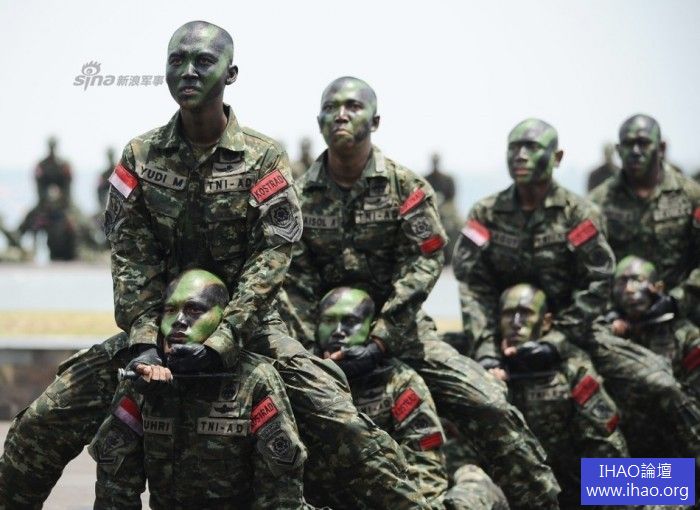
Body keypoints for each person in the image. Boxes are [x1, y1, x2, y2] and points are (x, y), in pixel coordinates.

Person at [0, 21, 425, 509]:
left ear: (231, 74)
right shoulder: (140, 156)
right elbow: (131, 256)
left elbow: (272, 257)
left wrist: (223, 339)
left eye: (203, 61)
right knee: (40, 424)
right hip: (162, 327)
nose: (188, 71)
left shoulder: (263, 158)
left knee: (347, 431)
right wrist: (144, 342)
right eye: (176, 60)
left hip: (250, 329)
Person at [284, 76, 560, 509]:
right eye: (331, 107)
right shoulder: (298, 198)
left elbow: (424, 262)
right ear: (319, 121)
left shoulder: (405, 188)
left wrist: (380, 338)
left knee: (488, 403)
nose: (341, 115)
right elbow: (294, 278)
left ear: (375, 121)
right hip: (325, 340)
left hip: (402, 332)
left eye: (353, 106)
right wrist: (312, 349)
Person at [454, 118, 700, 475]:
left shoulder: (580, 213)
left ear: (557, 158)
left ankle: (669, 484)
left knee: (660, 385)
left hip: (575, 331)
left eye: (531, 148)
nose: (520, 156)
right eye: (514, 148)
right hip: (505, 332)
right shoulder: (485, 213)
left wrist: (556, 341)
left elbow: (598, 283)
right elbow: (471, 284)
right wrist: (486, 350)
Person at [89, 269, 311, 509]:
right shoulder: (142, 377)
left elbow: (280, 495)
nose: (179, 320)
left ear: (222, 319)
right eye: (170, 310)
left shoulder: (254, 379)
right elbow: (115, 489)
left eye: (194, 310)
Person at [313, 286, 510, 509]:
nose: (338, 331)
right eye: (329, 321)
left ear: (371, 327)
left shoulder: (398, 380)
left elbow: (425, 462)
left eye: (350, 321)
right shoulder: (302, 378)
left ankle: (475, 483)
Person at [495, 284, 628, 509]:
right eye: (509, 314)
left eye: (526, 313)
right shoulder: (487, 366)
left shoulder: (570, 365)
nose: (516, 322)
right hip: (517, 492)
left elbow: (604, 443)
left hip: (577, 485)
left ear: (546, 322)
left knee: (677, 487)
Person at [589, 114, 700, 326]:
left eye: (643, 143)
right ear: (618, 150)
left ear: (661, 148)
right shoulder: (597, 203)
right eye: (628, 144)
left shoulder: (692, 196)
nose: (635, 151)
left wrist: (676, 300)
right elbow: (588, 269)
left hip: (682, 317)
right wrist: (610, 310)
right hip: (619, 322)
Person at [606, 255, 700, 455]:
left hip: (684, 442)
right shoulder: (609, 341)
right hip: (635, 449)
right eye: (622, 282)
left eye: (637, 280)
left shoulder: (684, 336)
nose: (629, 289)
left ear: (658, 287)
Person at [425, 153, 462, 264]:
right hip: (430, 210)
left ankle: (454, 253)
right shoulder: (426, 179)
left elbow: (452, 197)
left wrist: (443, 207)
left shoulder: (448, 179)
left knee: (458, 226)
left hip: (447, 210)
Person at [33, 136, 72, 203]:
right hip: (44, 200)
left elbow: (67, 182)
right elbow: (39, 181)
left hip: (63, 200)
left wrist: (64, 198)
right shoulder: (42, 165)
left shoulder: (64, 164)